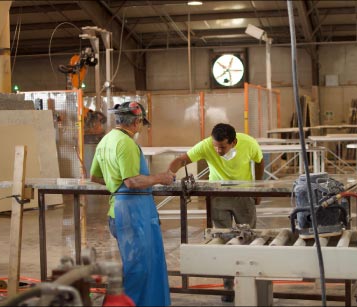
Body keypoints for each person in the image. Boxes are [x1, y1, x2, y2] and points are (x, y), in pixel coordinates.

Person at [165, 122, 263, 302]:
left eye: (222, 147)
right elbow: (182, 159)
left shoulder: (249, 143)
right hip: (217, 195)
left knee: (248, 237)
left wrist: (258, 188)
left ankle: (249, 282)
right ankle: (228, 287)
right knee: (223, 240)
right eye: (215, 146)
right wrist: (169, 174)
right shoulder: (206, 145)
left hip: (244, 194)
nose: (217, 150)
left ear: (233, 142)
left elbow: (259, 160)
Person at [89, 101, 174, 306]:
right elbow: (132, 181)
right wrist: (160, 178)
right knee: (139, 268)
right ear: (136, 122)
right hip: (133, 212)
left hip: (122, 209)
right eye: (141, 124)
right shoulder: (125, 143)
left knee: (142, 264)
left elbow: (94, 176)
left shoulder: (105, 141)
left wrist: (114, 184)